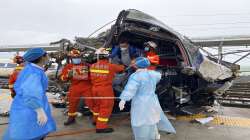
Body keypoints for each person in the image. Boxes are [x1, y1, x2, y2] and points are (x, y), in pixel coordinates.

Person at [3, 48, 56, 140]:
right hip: (30, 108)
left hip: (27, 105)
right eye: (46, 54)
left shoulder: (31, 69)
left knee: (28, 132)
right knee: (31, 133)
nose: (48, 56)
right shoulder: (34, 73)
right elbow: (30, 94)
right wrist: (39, 111)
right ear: (42, 58)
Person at [119, 57, 176, 140]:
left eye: (134, 63)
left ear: (136, 65)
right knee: (152, 120)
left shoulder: (135, 76)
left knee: (140, 122)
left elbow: (130, 89)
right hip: (152, 101)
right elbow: (160, 76)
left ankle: (142, 137)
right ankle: (154, 137)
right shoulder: (154, 74)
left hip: (140, 103)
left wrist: (123, 99)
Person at [90, 49, 124, 133]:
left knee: (97, 106)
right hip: (105, 90)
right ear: (107, 57)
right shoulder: (111, 66)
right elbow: (121, 68)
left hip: (94, 89)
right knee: (106, 107)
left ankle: (95, 121)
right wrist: (123, 65)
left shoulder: (92, 66)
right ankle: (101, 127)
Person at [60, 49, 94, 126]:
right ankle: (71, 118)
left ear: (81, 57)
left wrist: (88, 72)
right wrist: (68, 75)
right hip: (74, 87)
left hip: (87, 86)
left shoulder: (87, 65)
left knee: (91, 103)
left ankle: (96, 118)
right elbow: (62, 78)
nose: (76, 59)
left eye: (78, 57)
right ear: (71, 58)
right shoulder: (68, 67)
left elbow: (94, 74)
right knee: (72, 103)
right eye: (74, 58)